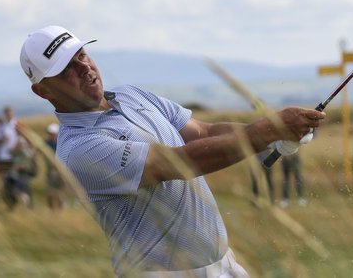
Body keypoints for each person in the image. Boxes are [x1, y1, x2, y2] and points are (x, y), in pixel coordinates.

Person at [19, 25, 326, 277]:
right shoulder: (78, 150)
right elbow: (178, 163)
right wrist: (264, 133)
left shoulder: (130, 94)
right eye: (67, 69)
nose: (84, 68)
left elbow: (203, 132)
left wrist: (272, 133)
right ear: (43, 90)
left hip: (224, 266)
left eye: (82, 54)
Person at [3, 134, 38, 209]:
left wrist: (19, 167)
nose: (20, 145)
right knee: (11, 189)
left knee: (23, 189)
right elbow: (9, 152)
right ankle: (13, 205)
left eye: (22, 144)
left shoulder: (27, 152)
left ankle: (27, 207)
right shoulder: (16, 152)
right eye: (19, 144)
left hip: (24, 173)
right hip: (15, 174)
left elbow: (28, 162)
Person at [43, 123, 66, 210]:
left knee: (60, 190)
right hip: (51, 171)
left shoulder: (61, 142)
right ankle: (51, 209)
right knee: (50, 191)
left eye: (52, 133)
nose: (50, 135)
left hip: (62, 170)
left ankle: (61, 208)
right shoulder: (46, 143)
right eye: (49, 133)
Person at [0, 106, 20, 176]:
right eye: (7, 114)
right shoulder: (1, 125)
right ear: (5, 114)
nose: (9, 115)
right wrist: (3, 139)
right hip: (3, 155)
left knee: (14, 175)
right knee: (2, 174)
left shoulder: (17, 125)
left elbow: (21, 139)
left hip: (14, 155)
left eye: (10, 113)